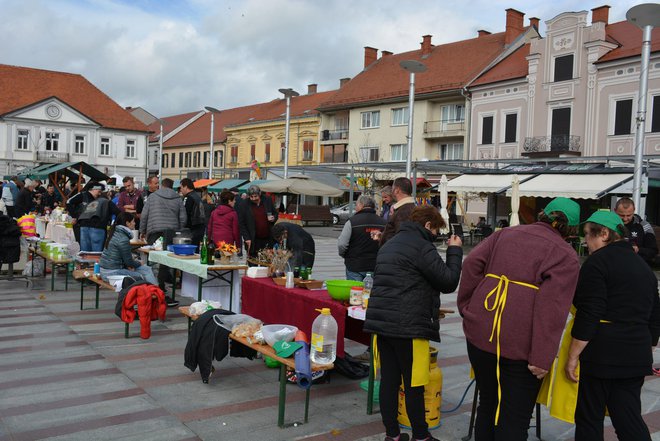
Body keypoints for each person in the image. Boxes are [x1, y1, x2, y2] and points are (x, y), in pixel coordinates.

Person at [457, 197, 581, 441]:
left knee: (488, 403)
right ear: (572, 229)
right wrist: (542, 357)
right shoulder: (565, 254)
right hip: (520, 346)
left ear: (543, 214)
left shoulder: (505, 234)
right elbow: (552, 307)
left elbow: (471, 263)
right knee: (514, 417)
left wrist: (468, 306)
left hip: (480, 335)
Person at [363, 206, 463, 441]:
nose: (436, 235)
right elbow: (448, 281)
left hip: (381, 324)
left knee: (388, 380)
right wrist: (455, 251)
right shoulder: (421, 246)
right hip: (408, 326)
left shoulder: (389, 244)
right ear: (428, 225)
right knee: (414, 383)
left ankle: (393, 435)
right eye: (436, 229)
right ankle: (420, 435)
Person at [565, 210, 660, 441]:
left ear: (604, 233)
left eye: (588, 235)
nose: (586, 242)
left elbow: (590, 312)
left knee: (590, 417)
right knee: (628, 417)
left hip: (603, 353)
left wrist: (573, 356)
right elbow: (656, 314)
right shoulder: (644, 268)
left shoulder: (597, 263)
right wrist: (648, 347)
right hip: (636, 352)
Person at [139, 177, 186, 303]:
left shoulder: (153, 197)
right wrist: (179, 232)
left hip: (154, 230)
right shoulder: (178, 198)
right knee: (166, 261)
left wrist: (142, 230)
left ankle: (150, 288)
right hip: (170, 233)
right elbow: (183, 218)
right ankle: (161, 286)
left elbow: (144, 215)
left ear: (162, 185)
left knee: (152, 259)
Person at [99, 212, 158, 286]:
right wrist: (139, 263)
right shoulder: (123, 239)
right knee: (142, 276)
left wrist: (133, 264)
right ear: (127, 223)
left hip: (106, 270)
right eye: (133, 221)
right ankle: (155, 293)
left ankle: (155, 291)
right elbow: (129, 262)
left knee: (146, 269)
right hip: (112, 273)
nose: (135, 223)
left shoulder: (114, 233)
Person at [337, 195, 386, 281]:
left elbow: (342, 244)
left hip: (354, 266)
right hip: (375, 266)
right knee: (372, 293)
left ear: (361, 205)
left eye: (356, 205)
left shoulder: (352, 222)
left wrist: (344, 255)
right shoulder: (383, 223)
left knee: (356, 293)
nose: (355, 208)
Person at [76, 182, 120, 252]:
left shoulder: (91, 202)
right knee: (96, 253)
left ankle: (85, 263)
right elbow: (119, 213)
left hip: (83, 226)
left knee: (84, 253)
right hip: (97, 226)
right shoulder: (107, 201)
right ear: (107, 194)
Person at [614, 197, 658, 266]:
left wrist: (638, 250)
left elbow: (653, 251)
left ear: (634, 210)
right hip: (614, 265)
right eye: (621, 215)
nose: (625, 219)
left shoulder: (644, 225)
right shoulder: (609, 225)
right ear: (615, 210)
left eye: (629, 215)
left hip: (638, 265)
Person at [238, 185, 277, 262]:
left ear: (260, 194)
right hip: (253, 239)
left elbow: (275, 213)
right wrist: (246, 238)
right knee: (253, 262)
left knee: (267, 262)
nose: (253, 199)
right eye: (251, 197)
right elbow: (241, 223)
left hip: (267, 238)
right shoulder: (244, 204)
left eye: (255, 196)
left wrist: (273, 218)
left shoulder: (267, 200)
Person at [379, 177, 415, 246]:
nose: (392, 191)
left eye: (392, 188)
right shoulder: (410, 207)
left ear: (397, 190)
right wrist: (382, 236)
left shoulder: (403, 211)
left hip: (395, 253)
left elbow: (401, 238)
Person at [179, 178, 206, 247]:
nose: (180, 190)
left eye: (181, 187)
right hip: (200, 226)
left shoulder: (188, 197)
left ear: (186, 187)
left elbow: (185, 213)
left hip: (192, 228)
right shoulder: (197, 196)